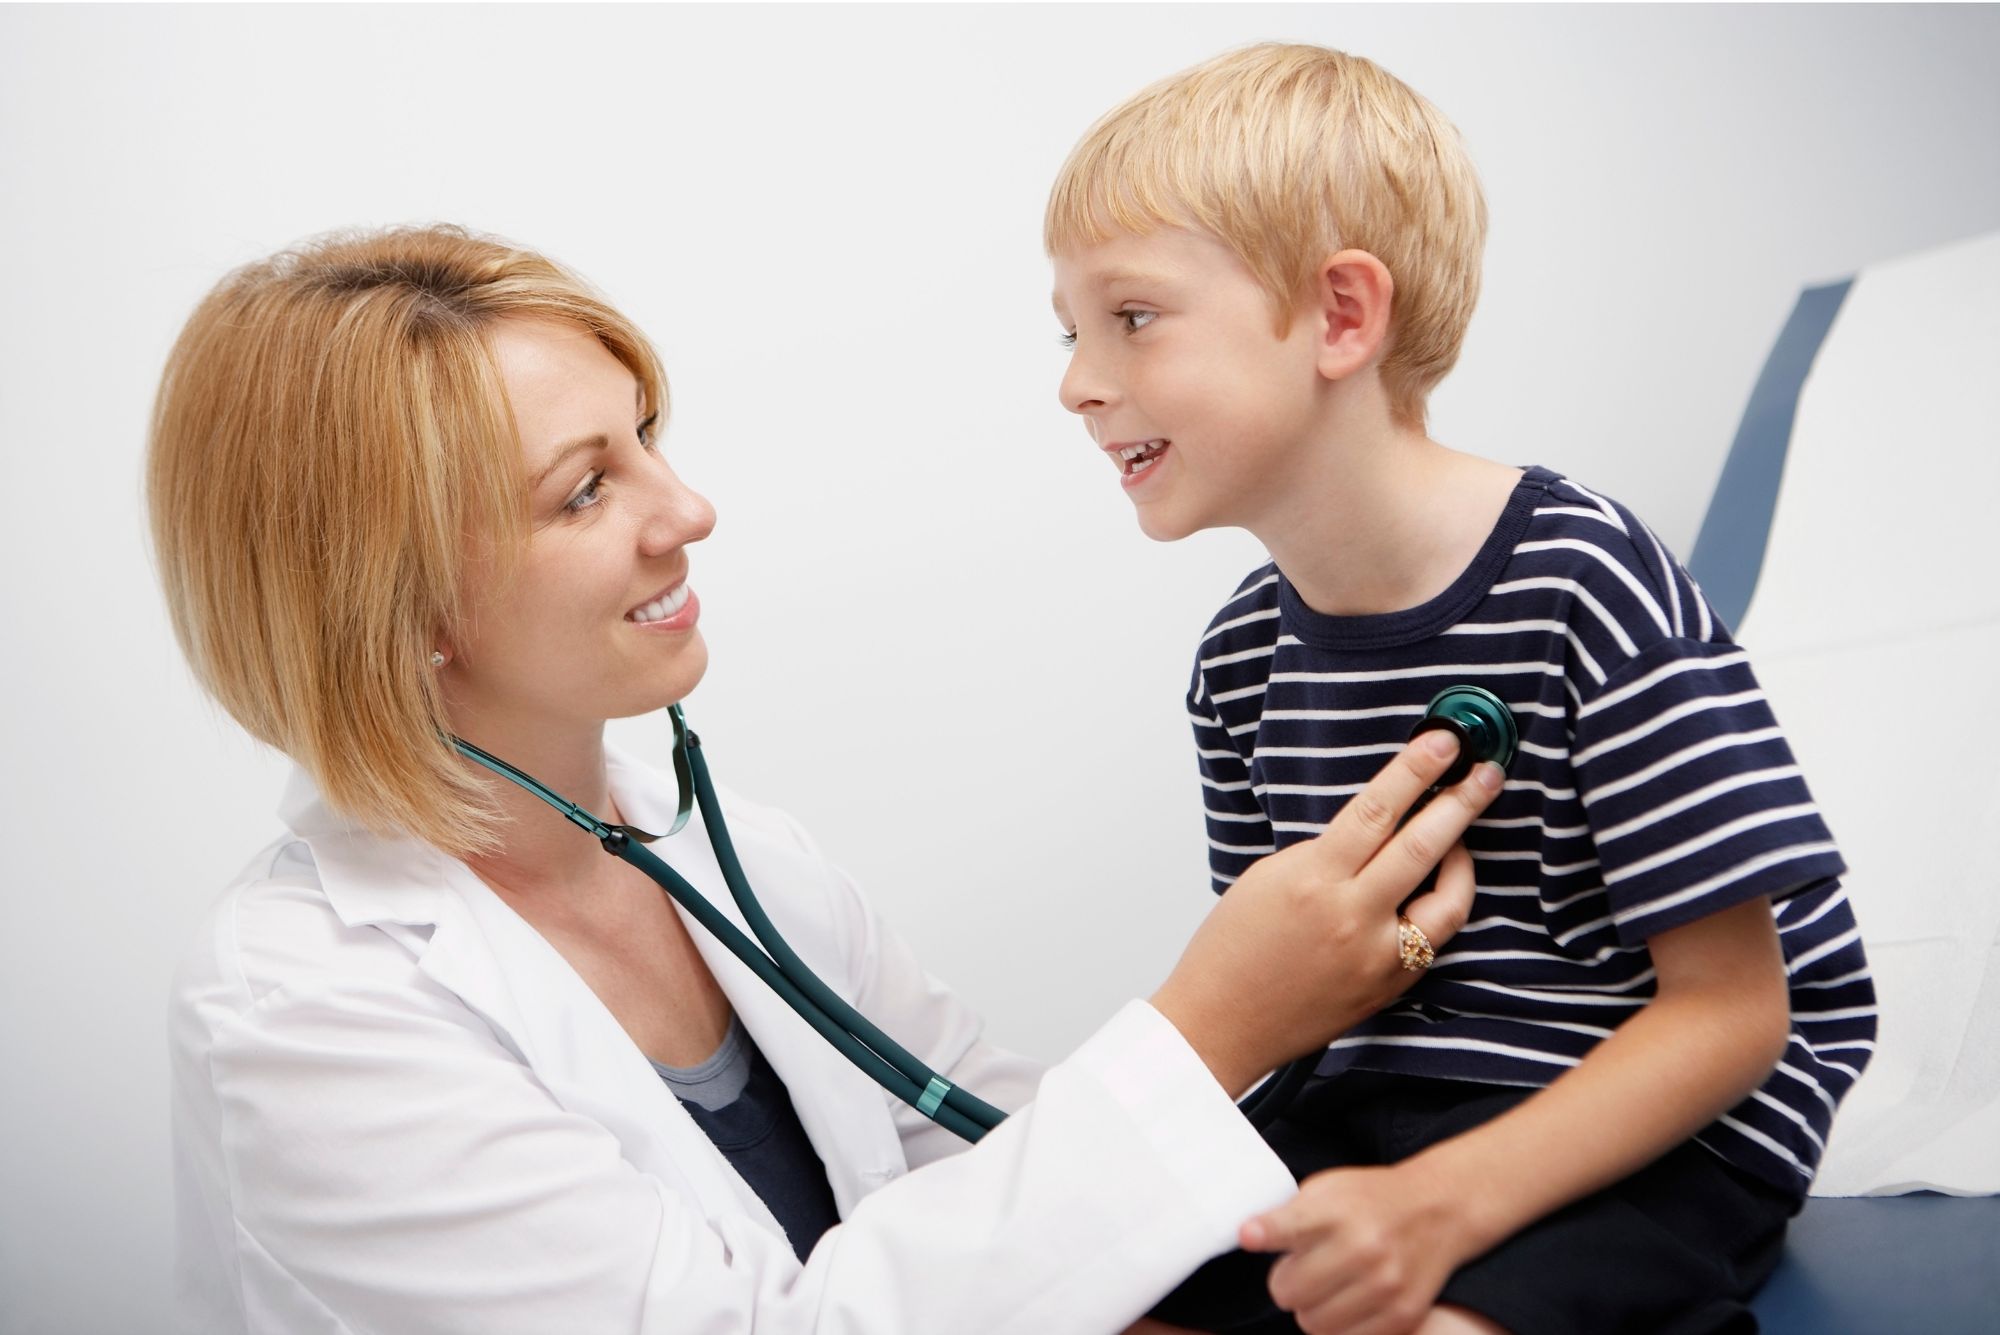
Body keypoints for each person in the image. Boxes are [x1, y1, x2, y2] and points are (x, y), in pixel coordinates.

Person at [151, 224, 1505, 1335]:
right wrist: (1216, 1022)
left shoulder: (740, 861)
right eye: (583, 492)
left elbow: (993, 1170)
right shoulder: (307, 1011)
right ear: (396, 608)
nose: (685, 512)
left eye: (648, 438)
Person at [1045, 43, 1877, 1335]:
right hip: (1389, 1101)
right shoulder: (1239, 663)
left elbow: (1737, 1013)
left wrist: (1438, 1209)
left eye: (1132, 318)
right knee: (1082, 1302)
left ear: (1339, 317)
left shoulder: (1583, 580)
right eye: (1070, 331)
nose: (1078, 382)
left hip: (1659, 1115)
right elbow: (1302, 994)